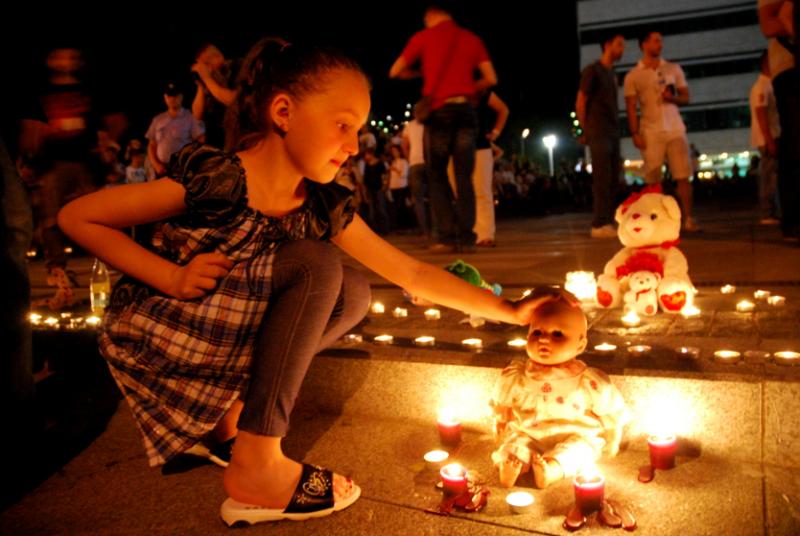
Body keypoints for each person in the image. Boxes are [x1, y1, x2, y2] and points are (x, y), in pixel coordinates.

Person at [58, 37, 556, 526]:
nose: (352, 145)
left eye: (358, 130)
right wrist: (171, 274)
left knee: (353, 293)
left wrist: (512, 311)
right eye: (342, 125)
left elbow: (410, 272)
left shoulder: (321, 202)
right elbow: (79, 217)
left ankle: (231, 420)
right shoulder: (220, 178)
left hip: (219, 334)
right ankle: (257, 464)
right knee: (315, 265)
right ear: (283, 112)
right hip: (167, 332)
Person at [490, 293, 630, 488]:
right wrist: (501, 419)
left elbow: (610, 408)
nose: (544, 340)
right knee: (516, 444)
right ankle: (511, 466)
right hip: (531, 432)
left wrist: (614, 435)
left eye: (557, 334)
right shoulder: (517, 375)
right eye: (537, 333)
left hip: (575, 433)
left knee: (580, 450)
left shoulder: (588, 380)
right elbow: (503, 400)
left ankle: (552, 469)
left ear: (580, 344)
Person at [389, 1, 498, 252]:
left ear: (430, 16)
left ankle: (446, 237)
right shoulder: (471, 38)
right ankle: (467, 237)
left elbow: (395, 70)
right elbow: (491, 78)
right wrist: (469, 87)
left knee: (437, 175)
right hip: (466, 113)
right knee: (464, 178)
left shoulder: (423, 37)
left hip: (439, 113)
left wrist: (421, 74)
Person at [624, 31, 700, 232]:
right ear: (644, 44)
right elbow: (631, 106)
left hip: (675, 127)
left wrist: (672, 98)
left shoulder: (673, 68)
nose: (660, 45)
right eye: (656, 41)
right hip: (650, 130)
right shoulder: (633, 75)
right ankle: (655, 221)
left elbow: (686, 97)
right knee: (653, 177)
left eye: (661, 41)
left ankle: (688, 218)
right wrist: (634, 132)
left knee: (682, 175)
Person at [576, 33, 625, 238]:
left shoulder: (611, 73)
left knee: (613, 177)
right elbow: (581, 100)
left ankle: (607, 220)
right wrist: (585, 130)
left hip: (612, 131)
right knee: (602, 178)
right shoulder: (593, 70)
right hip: (598, 130)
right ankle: (599, 223)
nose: (622, 49)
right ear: (607, 45)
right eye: (619, 45)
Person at [758, 0, 798, 241]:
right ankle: (789, 219)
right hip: (790, 68)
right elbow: (760, 111)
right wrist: (768, 138)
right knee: (793, 147)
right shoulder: (761, 86)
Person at [146, 82, 205, 179]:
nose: (172, 99)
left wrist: (192, 164)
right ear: (165, 97)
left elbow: (201, 141)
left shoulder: (190, 117)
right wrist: (156, 165)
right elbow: (151, 145)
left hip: (183, 170)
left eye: (175, 95)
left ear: (181, 96)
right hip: (161, 170)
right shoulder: (157, 120)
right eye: (169, 96)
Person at [191, 43, 239, 149]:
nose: (204, 68)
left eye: (206, 63)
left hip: (235, 142)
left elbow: (233, 100)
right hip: (215, 144)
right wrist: (201, 85)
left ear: (218, 56)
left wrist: (207, 78)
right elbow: (197, 115)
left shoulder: (237, 68)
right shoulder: (210, 80)